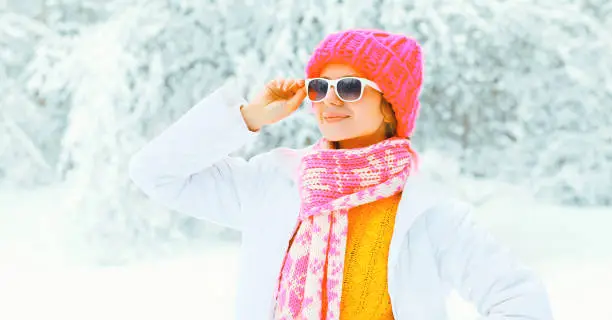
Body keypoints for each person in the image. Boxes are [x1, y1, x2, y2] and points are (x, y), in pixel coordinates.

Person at [129, 29, 553, 320]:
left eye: (349, 87)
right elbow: (156, 172)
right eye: (319, 87)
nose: (329, 101)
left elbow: (519, 301)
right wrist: (250, 116)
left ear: (390, 106)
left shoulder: (430, 213)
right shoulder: (273, 184)